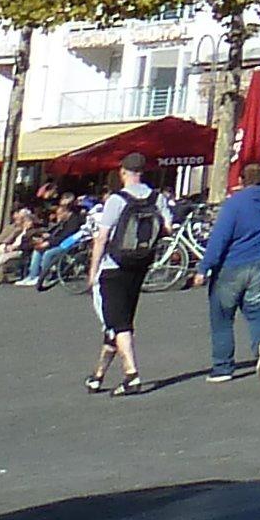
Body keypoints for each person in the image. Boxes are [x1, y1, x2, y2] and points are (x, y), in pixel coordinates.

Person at [83, 158, 166, 395]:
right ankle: (98, 376)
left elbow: (102, 237)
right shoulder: (157, 198)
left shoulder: (117, 200)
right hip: (139, 265)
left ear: (123, 172)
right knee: (118, 323)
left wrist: (92, 271)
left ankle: (131, 375)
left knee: (118, 324)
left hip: (113, 267)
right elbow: (168, 228)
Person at [201, 160, 260, 382]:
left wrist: (204, 267)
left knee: (222, 316)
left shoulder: (234, 204)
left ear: (240, 180)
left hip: (232, 264)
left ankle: (223, 367)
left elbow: (220, 238)